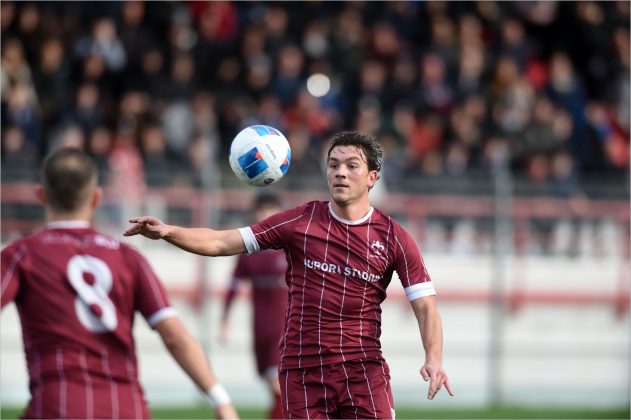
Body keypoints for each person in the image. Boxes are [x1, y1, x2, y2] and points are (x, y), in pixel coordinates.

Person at [125, 131, 453, 418]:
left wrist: (434, 358)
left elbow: (426, 306)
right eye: (333, 165)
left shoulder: (393, 237)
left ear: (372, 177)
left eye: (351, 165)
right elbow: (222, 241)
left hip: (362, 368)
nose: (340, 172)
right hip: (303, 370)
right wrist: (168, 231)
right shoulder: (300, 222)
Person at [0, 148, 239, 420]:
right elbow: (174, 335)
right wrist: (221, 400)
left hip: (59, 405)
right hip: (126, 407)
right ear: (96, 198)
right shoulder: (128, 257)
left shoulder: (22, 255)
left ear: (41, 195)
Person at [219, 192, 288, 419]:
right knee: (271, 384)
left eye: (270, 210)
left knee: (279, 384)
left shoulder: (289, 247)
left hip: (285, 326)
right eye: (261, 210)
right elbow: (233, 285)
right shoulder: (248, 251)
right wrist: (224, 319)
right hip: (260, 326)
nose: (265, 215)